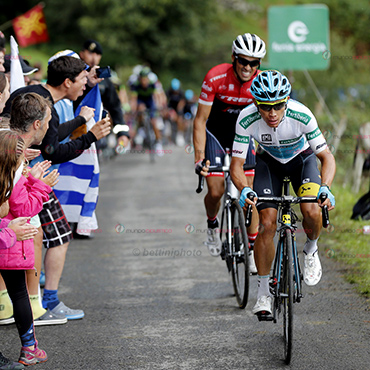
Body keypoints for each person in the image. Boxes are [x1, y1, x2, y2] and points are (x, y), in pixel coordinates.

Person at [2, 56, 111, 321]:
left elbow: (48, 137)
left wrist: (79, 122)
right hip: (27, 176)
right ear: (67, 82)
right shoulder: (43, 101)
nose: (85, 87)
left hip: (21, 171)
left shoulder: (38, 92)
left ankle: (20, 304)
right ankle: (38, 303)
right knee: (47, 236)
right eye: (83, 81)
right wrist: (90, 136)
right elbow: (52, 150)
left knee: (25, 238)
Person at [230, 70, 336, 316]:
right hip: (269, 164)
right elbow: (236, 165)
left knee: (311, 209)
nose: (272, 114)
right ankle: (264, 292)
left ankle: (310, 248)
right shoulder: (246, 119)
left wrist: (326, 187)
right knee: (266, 223)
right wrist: (244, 188)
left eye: (278, 106)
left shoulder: (302, 115)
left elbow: (325, 156)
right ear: (256, 103)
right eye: (266, 107)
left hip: (302, 161)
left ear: (287, 101)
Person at [193, 33, 266, 269]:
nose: (248, 67)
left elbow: (266, 121)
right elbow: (200, 120)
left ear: (259, 64)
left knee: (250, 193)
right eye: (243, 61)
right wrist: (199, 157)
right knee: (215, 191)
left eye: (254, 63)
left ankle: (252, 247)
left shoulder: (260, 82)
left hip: (243, 136)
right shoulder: (215, 77)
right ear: (234, 58)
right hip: (215, 133)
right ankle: (213, 225)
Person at [0, 129, 47, 367]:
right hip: (10, 246)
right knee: (19, 295)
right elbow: (26, 208)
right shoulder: (14, 180)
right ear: (17, 158)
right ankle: (29, 347)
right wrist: (38, 184)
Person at [78, 39, 130, 149]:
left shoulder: (104, 80)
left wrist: (122, 133)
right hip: (72, 130)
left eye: (98, 54)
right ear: (81, 54)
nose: (94, 57)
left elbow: (115, 107)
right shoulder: (73, 75)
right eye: (90, 53)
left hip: (94, 132)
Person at [129, 66, 165, 154]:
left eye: (146, 80)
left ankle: (158, 143)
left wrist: (159, 106)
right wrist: (133, 109)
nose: (144, 82)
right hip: (141, 100)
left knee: (154, 121)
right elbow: (134, 99)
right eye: (142, 80)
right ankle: (140, 131)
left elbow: (157, 96)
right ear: (140, 79)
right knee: (140, 109)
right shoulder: (136, 85)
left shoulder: (153, 83)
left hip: (150, 100)